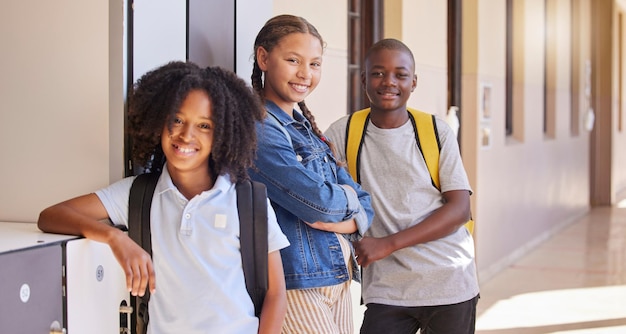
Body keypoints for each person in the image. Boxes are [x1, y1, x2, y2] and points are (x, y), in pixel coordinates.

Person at [38, 61, 290, 334]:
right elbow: (50, 216)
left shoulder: (247, 201)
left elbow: (276, 295)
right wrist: (114, 237)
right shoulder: (137, 194)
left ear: (222, 134)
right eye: (177, 120)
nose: (186, 135)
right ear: (159, 121)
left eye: (204, 125)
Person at [324, 38, 480, 334]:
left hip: (449, 280)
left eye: (400, 74)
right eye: (378, 73)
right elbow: (321, 190)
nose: (389, 82)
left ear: (414, 82)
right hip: (386, 288)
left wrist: (386, 244)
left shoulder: (435, 132)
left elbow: (460, 209)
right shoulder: (343, 132)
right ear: (363, 79)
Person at [248, 14, 374, 334]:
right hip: (298, 283)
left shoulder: (304, 127)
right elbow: (318, 202)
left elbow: (365, 203)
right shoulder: (260, 130)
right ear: (264, 57)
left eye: (315, 64)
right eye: (293, 60)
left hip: (338, 275)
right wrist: (348, 207)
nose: (305, 74)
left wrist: (346, 213)